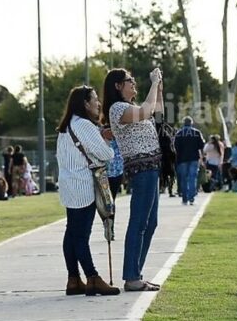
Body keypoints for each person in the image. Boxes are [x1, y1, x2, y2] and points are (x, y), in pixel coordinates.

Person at [56, 85, 120, 296]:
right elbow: (106, 154)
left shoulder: (67, 125)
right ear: (85, 103)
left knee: (72, 233)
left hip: (68, 183)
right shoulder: (84, 125)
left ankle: (73, 279)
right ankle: (92, 277)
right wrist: (107, 142)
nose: (98, 103)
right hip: (83, 184)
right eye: (94, 99)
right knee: (81, 235)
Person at [104, 67, 163, 292]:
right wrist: (153, 82)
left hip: (151, 169)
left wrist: (159, 87)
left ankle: (136, 273)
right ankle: (131, 276)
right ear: (118, 86)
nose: (134, 83)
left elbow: (156, 111)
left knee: (150, 222)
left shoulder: (131, 107)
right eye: (130, 80)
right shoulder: (118, 108)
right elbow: (146, 111)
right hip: (141, 170)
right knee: (139, 222)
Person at [173, 116, 205, 205]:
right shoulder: (197, 132)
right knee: (192, 178)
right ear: (191, 123)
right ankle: (191, 197)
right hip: (194, 158)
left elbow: (175, 147)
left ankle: (184, 198)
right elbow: (201, 145)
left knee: (184, 179)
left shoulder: (179, 133)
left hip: (182, 159)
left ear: (184, 123)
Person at [105, 133, 124, 200]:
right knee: (104, 201)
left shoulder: (120, 136)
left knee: (111, 200)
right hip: (104, 174)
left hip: (118, 172)